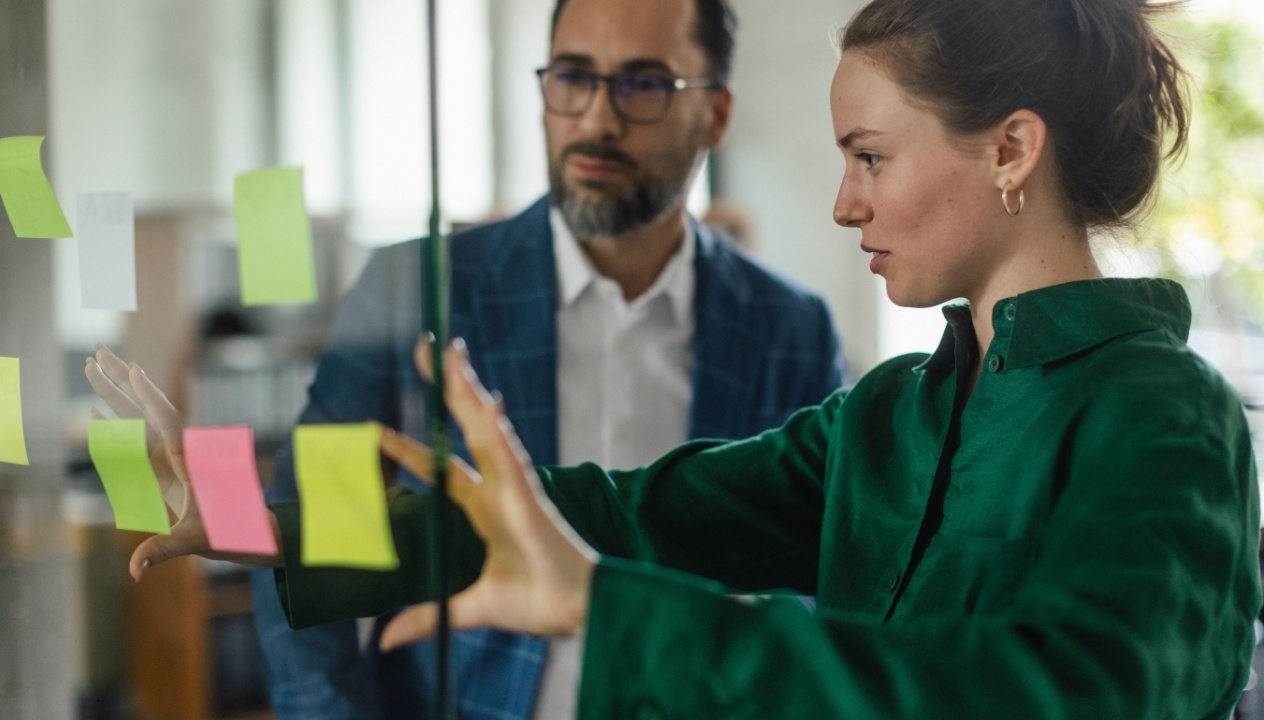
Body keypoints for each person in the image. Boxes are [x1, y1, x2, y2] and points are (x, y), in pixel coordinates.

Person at [99, 0, 1262, 716]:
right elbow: (604, 512)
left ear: (1009, 149)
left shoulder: (1166, 417)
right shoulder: (890, 416)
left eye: (867, 155)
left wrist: (607, 614)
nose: (842, 202)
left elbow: (1070, 692)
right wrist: (260, 514)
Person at [86, 0, 846, 718]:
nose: (596, 118)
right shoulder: (416, 289)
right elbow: (309, 551)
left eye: (643, 84)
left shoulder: (792, 329)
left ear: (714, 113)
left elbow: (825, 585)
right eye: (573, 77)